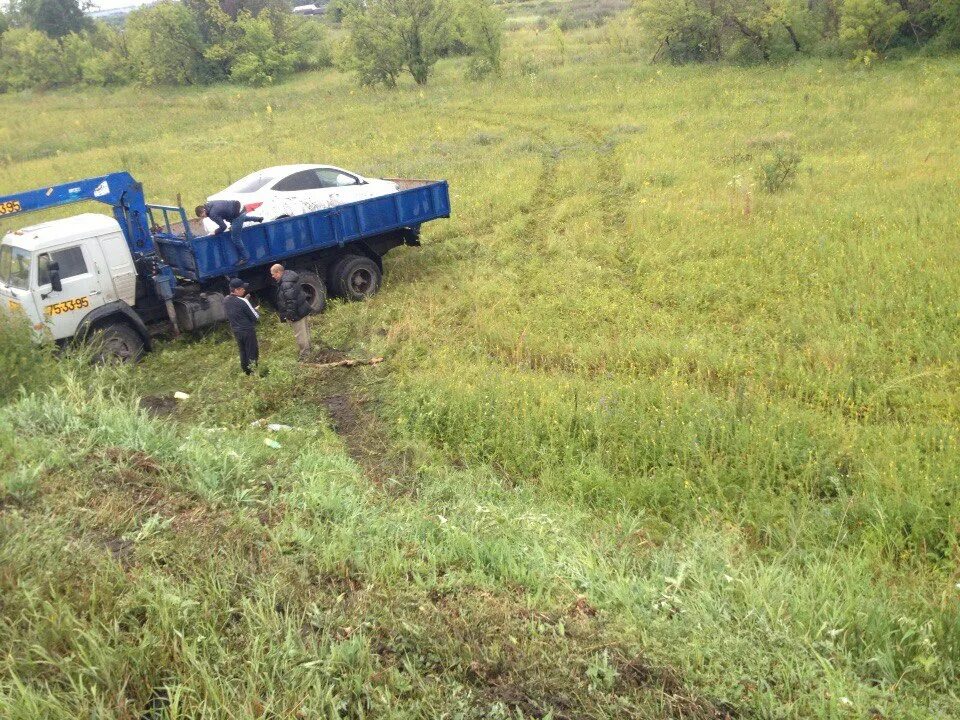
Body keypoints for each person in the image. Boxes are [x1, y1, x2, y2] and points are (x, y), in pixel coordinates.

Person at [195, 200, 263, 266]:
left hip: (236, 215)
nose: (204, 217)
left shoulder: (213, 214)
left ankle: (245, 258)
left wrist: (215, 232)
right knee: (240, 219)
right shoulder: (210, 204)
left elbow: (223, 227)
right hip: (238, 206)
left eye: (203, 216)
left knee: (235, 238)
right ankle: (258, 219)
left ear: (204, 210)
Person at [270, 263, 313, 360]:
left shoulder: (286, 284)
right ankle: (309, 350)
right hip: (302, 309)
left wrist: (290, 316)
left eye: (273, 274)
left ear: (278, 272)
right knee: (305, 331)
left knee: (300, 334)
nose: (272, 277)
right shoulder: (289, 278)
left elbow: (290, 301)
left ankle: (305, 355)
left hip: (297, 312)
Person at [222, 278, 260, 375]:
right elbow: (255, 317)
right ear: (236, 290)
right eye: (242, 288)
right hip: (247, 330)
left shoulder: (225, 300)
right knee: (252, 350)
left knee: (242, 351)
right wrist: (255, 310)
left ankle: (245, 371)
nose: (244, 290)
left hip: (236, 330)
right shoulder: (243, 301)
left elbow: (237, 311)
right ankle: (253, 372)